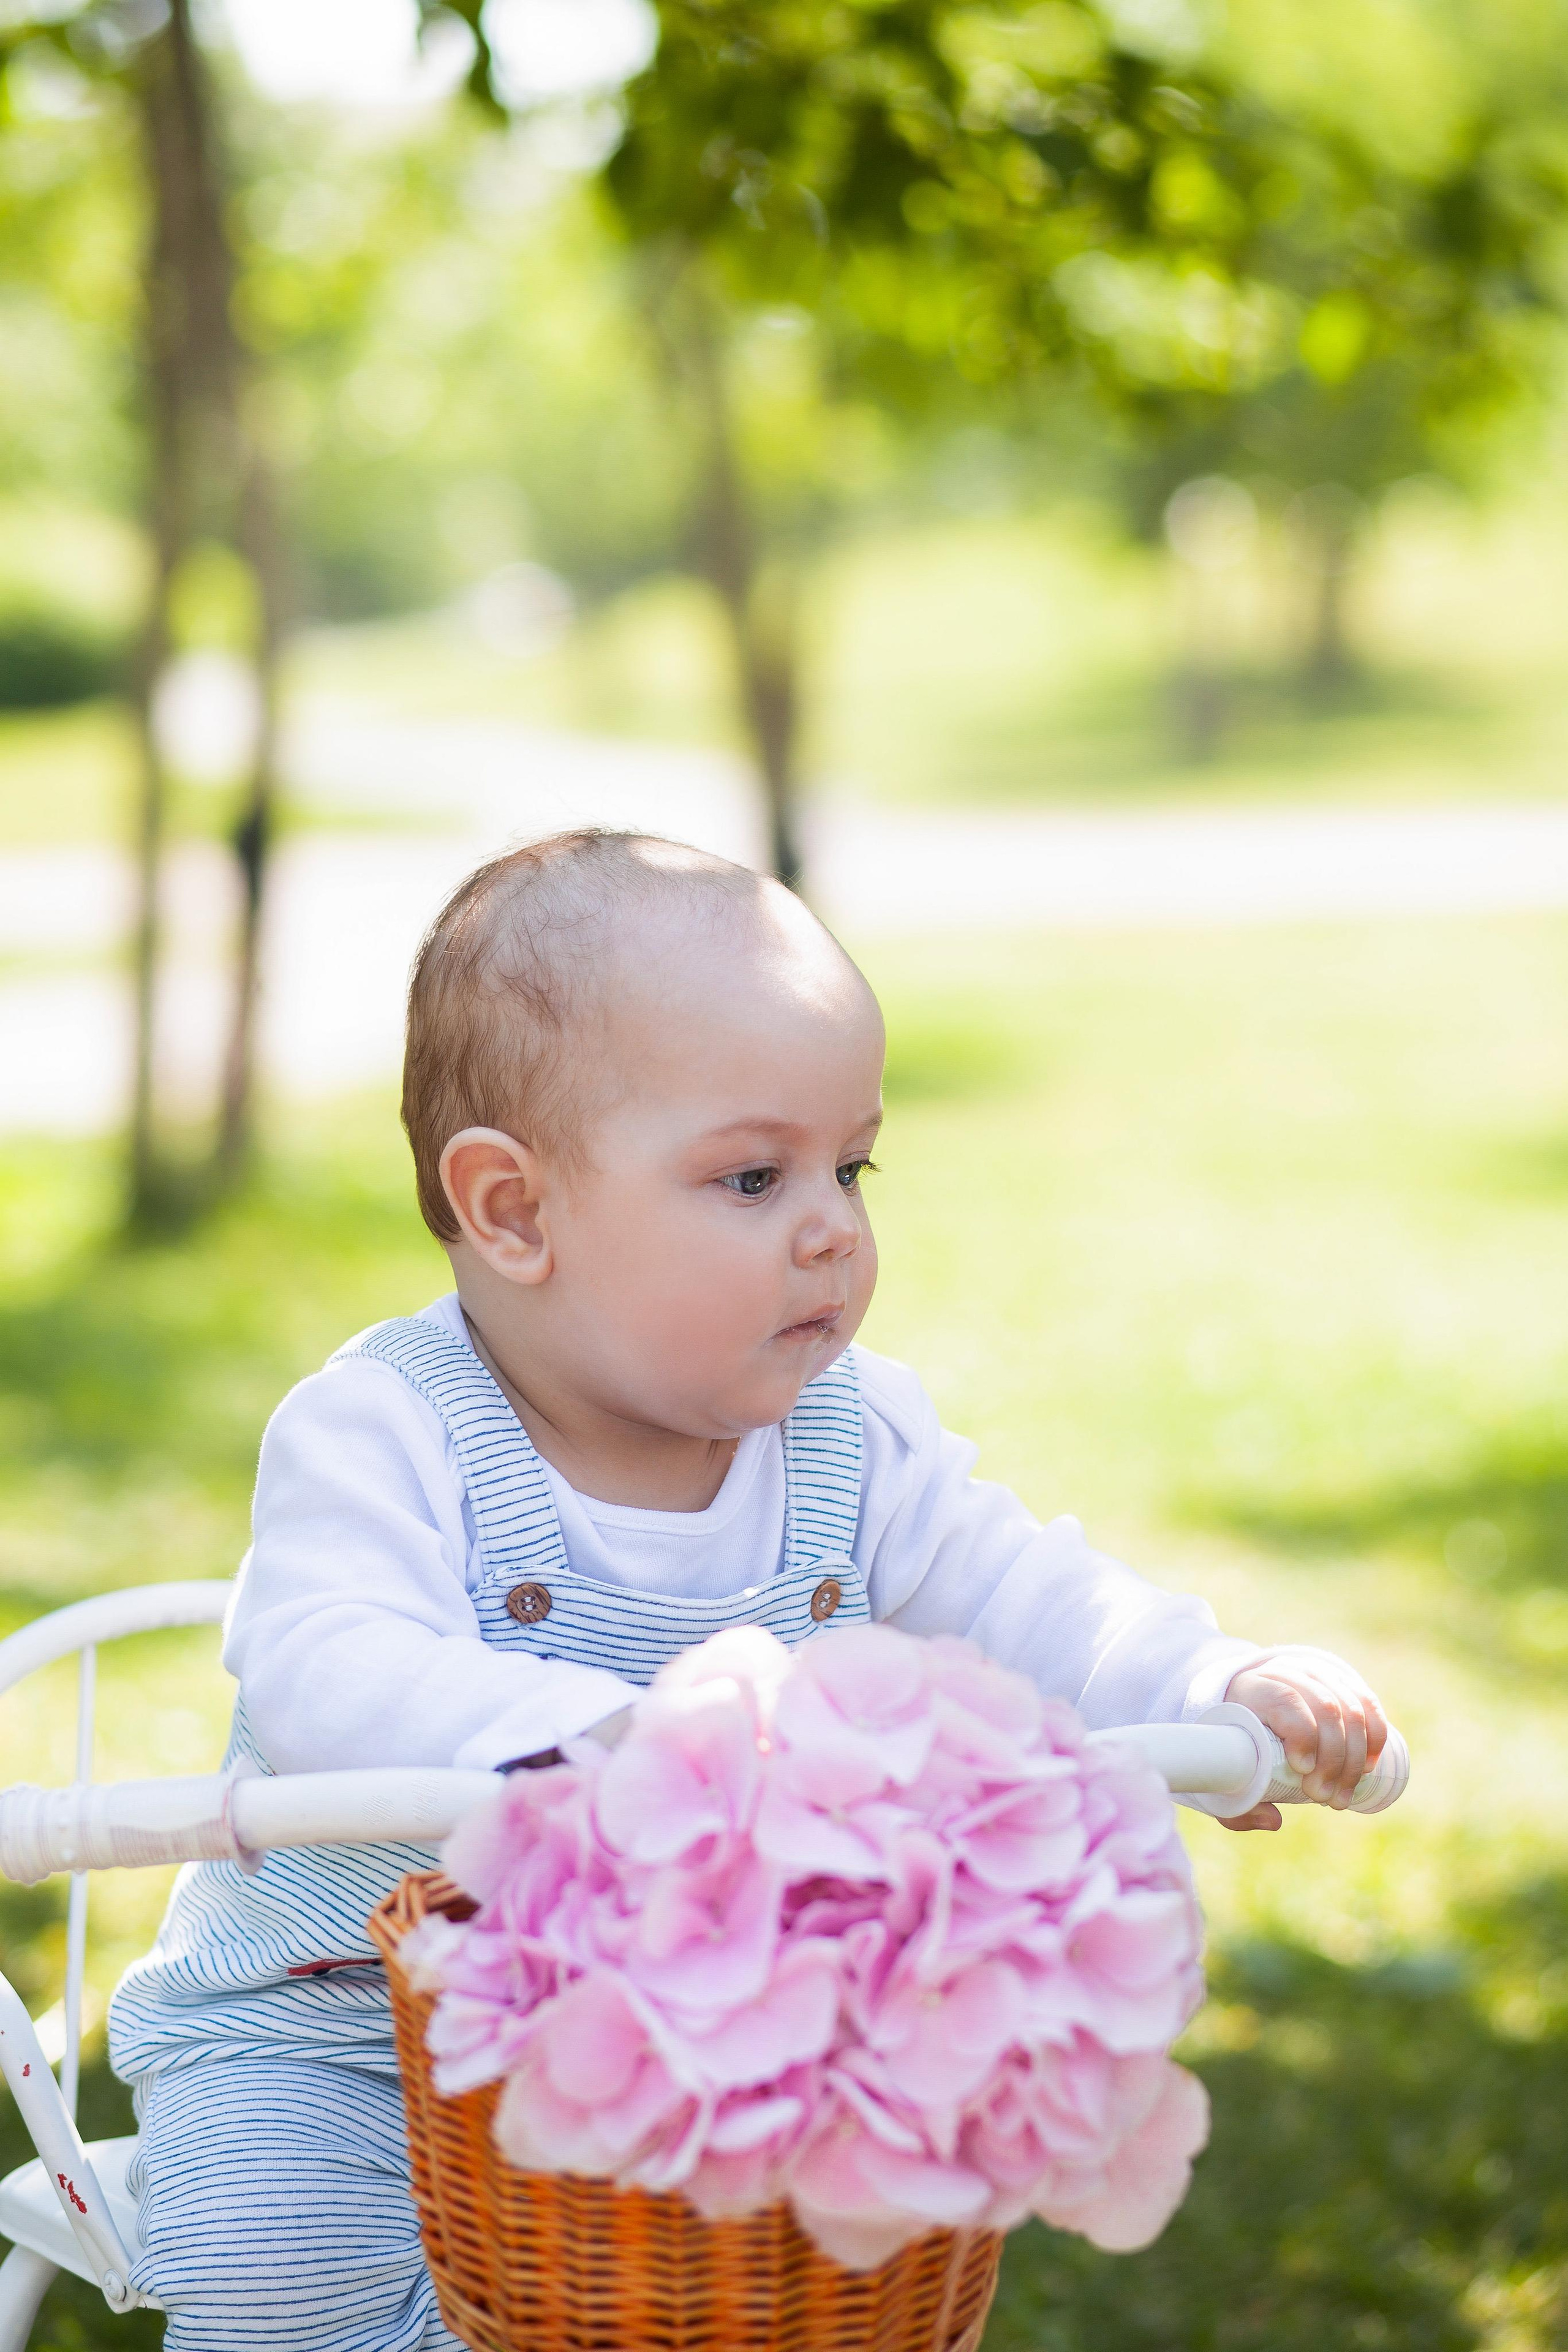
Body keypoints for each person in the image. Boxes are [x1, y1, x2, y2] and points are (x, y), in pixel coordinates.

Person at [108, 829, 1388, 2350]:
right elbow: (324, 1669)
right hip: (329, 2029)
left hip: (693, 2031)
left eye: (850, 1165)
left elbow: (1024, 1592)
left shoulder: (849, 1442)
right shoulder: (390, 1429)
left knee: (797, 2281)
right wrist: (624, 1747)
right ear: (514, 1213)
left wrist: (1205, 1688)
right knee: (271, 2257)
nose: (832, 1225)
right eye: (751, 1174)